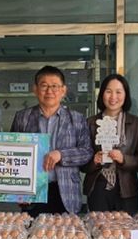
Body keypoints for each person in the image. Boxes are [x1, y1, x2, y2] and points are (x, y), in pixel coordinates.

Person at [10, 65, 92, 216]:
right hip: (32, 191)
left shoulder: (77, 118)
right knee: (32, 230)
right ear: (35, 89)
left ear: (63, 90)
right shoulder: (22, 117)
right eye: (44, 86)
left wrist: (61, 155)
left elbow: (86, 152)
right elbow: (13, 155)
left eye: (54, 86)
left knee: (67, 231)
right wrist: (19, 191)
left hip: (66, 191)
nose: (49, 91)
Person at [81, 74, 138, 215]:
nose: (113, 97)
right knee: (99, 226)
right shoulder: (90, 123)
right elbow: (82, 163)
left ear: (126, 95)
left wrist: (124, 159)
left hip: (126, 189)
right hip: (97, 187)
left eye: (118, 92)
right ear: (102, 94)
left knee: (125, 227)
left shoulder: (136, 124)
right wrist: (94, 161)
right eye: (108, 91)